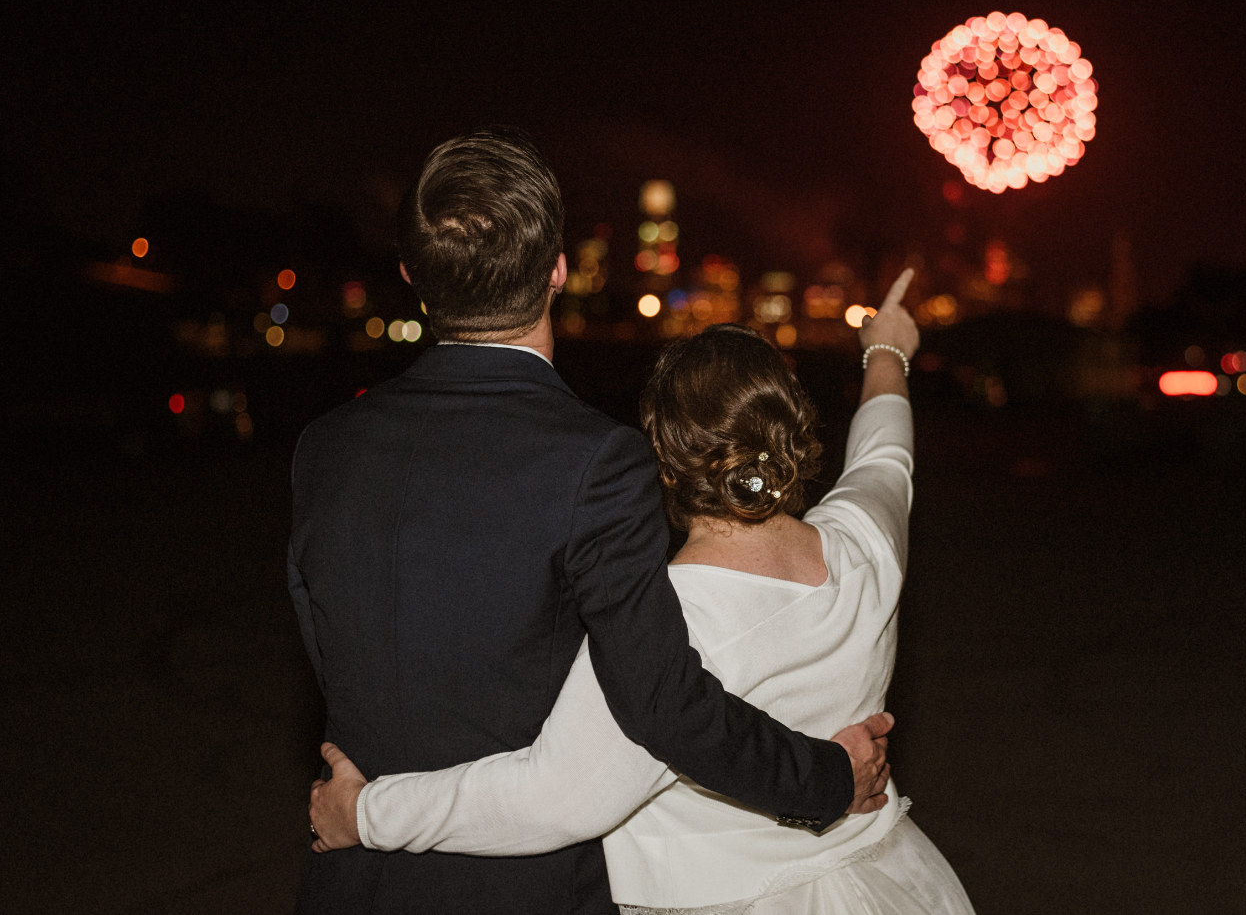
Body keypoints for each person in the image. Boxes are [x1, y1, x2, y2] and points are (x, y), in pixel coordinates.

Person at [287, 126, 891, 914]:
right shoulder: (597, 462)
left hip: (351, 877)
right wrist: (826, 779)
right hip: (523, 888)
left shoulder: (323, 446)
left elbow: (333, 645)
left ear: (412, 277)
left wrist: (365, 809)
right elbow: (664, 705)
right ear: (559, 271)